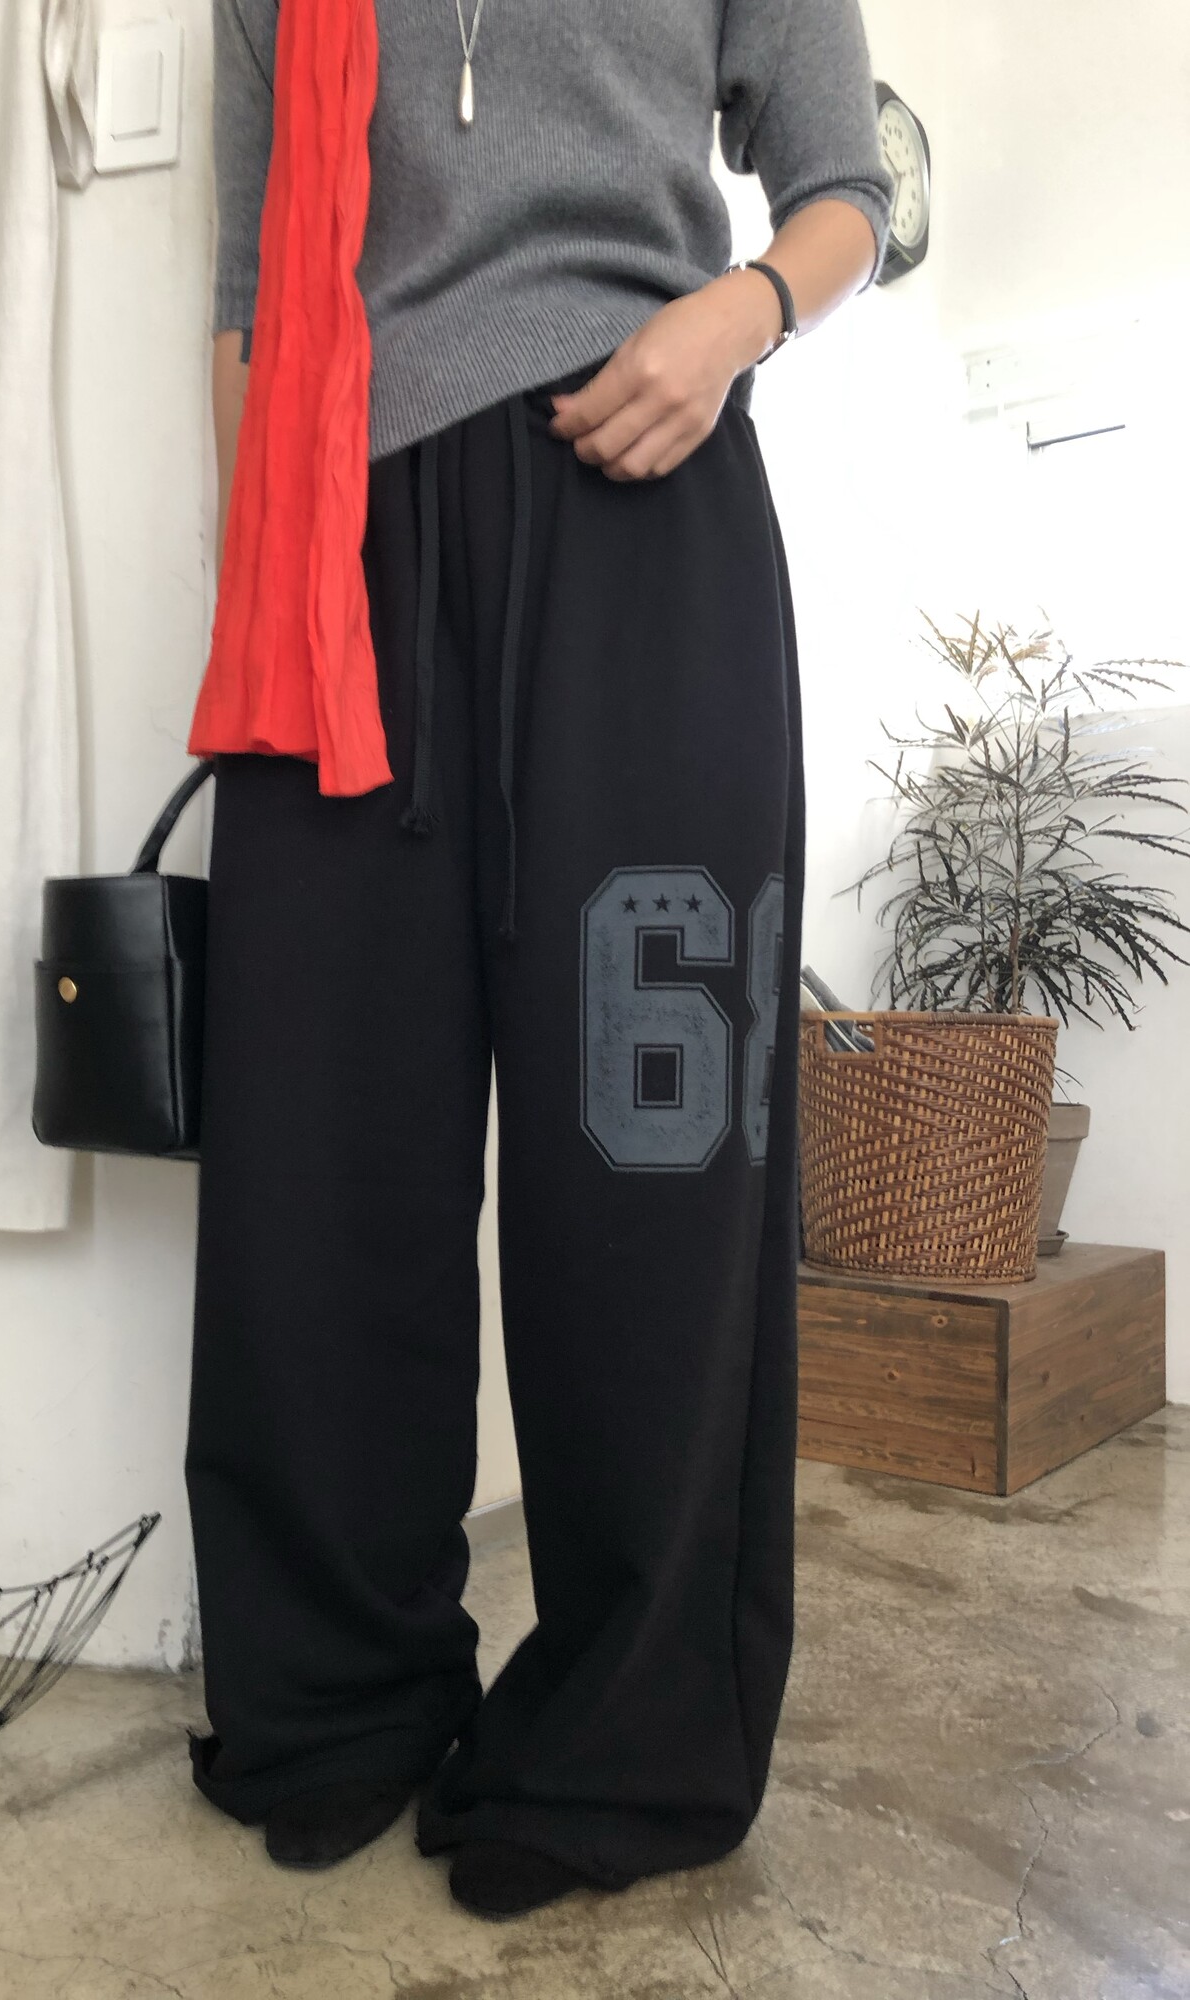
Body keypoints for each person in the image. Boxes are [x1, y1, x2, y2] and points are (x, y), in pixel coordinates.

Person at [183, 0, 896, 1921]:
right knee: (324, 1161)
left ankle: (626, 1737)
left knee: (649, 1164)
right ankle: (335, 1697)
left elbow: (850, 190)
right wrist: (266, 590)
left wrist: (732, 318)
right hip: (343, 561)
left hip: (644, 503)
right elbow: (253, 293)